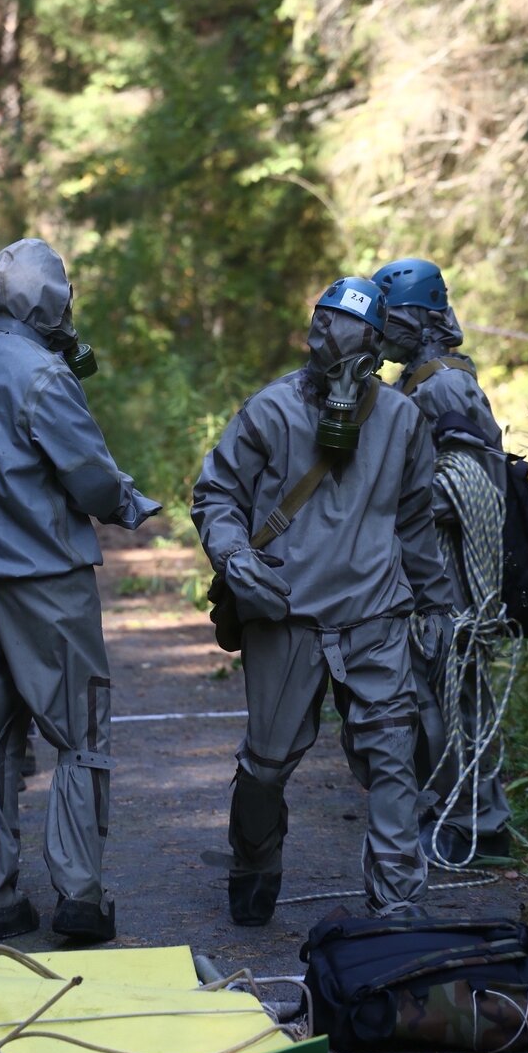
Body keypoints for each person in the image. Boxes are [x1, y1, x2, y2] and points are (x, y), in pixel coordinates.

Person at [192, 275, 454, 926]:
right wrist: (234, 555)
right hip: (286, 615)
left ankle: (398, 906)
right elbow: (216, 494)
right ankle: (254, 863)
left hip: (375, 617)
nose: (335, 345)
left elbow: (415, 521)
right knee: (266, 763)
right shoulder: (271, 411)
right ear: (313, 335)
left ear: (376, 346)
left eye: (354, 338)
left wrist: (438, 604)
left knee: (394, 755)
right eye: (326, 330)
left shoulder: (400, 420)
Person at [0, 237, 161, 943]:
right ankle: (79, 897)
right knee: (79, 733)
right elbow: (88, 474)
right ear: (52, 301)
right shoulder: (43, 377)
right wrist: (129, 503)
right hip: (43, 581)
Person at [371, 257, 512, 863]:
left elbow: (471, 482)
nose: (382, 330)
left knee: (457, 694)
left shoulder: (444, 384)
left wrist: (386, 500)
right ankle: (460, 811)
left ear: (424, 319)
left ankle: (481, 823)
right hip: (426, 564)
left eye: (392, 318)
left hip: (452, 570)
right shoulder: (417, 380)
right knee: (436, 693)